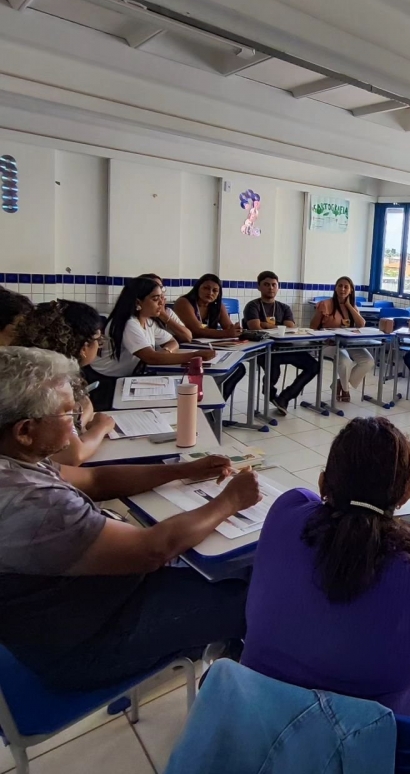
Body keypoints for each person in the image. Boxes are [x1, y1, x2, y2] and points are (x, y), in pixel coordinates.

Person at [0, 347, 262, 691]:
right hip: (85, 644)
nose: (77, 419)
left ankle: (225, 644)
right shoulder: (33, 502)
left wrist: (182, 469)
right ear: (25, 429)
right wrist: (231, 500)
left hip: (75, 611)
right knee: (260, 597)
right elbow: (153, 550)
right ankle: (241, 685)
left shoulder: (16, 458)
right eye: (67, 413)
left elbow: (96, 480)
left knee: (226, 571)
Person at [243, 417, 410, 774]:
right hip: (368, 756)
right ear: (405, 496)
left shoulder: (286, 512)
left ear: (322, 481)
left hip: (264, 741)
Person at [85, 277, 216, 411]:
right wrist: (194, 355)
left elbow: (172, 342)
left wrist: (165, 352)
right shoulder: (129, 323)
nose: (161, 302)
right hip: (105, 384)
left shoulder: (148, 321)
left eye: (161, 297)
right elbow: (151, 358)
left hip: (126, 379)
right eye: (155, 299)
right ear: (138, 302)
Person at [13, 299, 117, 464]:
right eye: (99, 340)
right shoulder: (49, 382)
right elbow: (73, 455)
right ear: (83, 347)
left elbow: (85, 403)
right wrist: (101, 427)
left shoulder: (37, 366)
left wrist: (76, 423)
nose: (100, 346)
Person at [244, 271, 318, 414]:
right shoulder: (252, 306)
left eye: (273, 285)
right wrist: (278, 326)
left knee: (314, 366)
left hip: (284, 348)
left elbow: (291, 328)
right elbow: (255, 327)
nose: (270, 288)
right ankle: (270, 394)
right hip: (262, 349)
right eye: (266, 284)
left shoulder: (284, 307)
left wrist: (266, 325)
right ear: (259, 287)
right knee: (274, 369)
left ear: (278, 287)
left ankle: (285, 397)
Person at [174, 274, 246, 401]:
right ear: (197, 288)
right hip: (184, 347)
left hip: (208, 348)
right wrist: (227, 333)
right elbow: (197, 330)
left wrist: (236, 330)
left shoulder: (218, 305)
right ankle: (209, 405)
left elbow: (228, 328)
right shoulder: (184, 302)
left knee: (238, 368)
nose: (210, 293)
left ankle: (214, 408)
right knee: (224, 369)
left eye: (215, 290)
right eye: (206, 288)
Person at [310, 276, 375, 402]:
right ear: (335, 288)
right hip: (328, 344)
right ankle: (345, 390)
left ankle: (340, 383)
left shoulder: (352, 306)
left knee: (368, 361)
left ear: (351, 290)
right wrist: (323, 336)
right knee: (346, 362)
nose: (342, 289)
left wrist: (349, 306)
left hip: (348, 343)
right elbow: (313, 327)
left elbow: (361, 324)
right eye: (340, 286)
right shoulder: (325, 304)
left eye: (346, 287)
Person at [139, 273, 193, 343]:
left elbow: (188, 337)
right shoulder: (141, 319)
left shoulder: (167, 312)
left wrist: (163, 315)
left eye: (161, 288)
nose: (160, 292)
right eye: (155, 288)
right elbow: (148, 353)